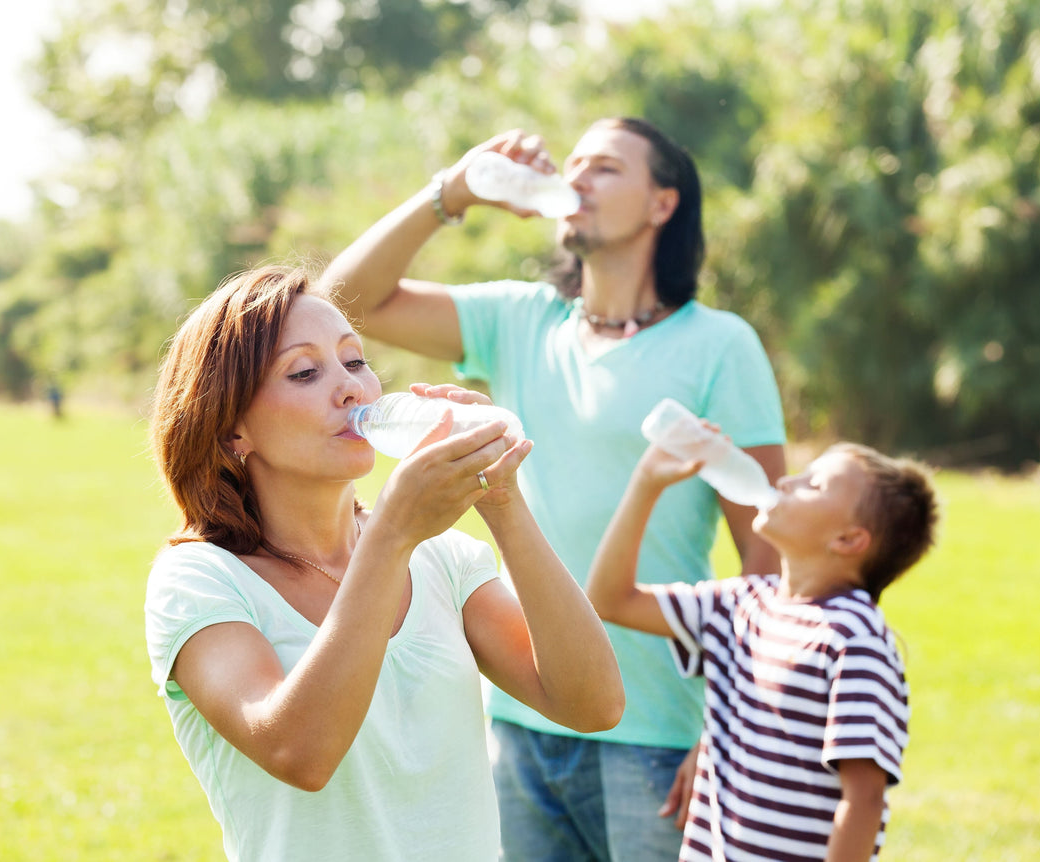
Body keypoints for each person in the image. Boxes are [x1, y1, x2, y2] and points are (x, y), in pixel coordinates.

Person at [317, 117, 788, 860]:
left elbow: (773, 561)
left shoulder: (720, 345)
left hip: (662, 734)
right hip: (521, 712)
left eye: (603, 168)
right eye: (572, 166)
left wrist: (732, 736)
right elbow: (335, 305)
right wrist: (451, 192)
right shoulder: (518, 320)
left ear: (662, 204)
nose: (577, 181)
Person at [143, 265, 624, 862]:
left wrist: (501, 501)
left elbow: (592, 703)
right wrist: (391, 535)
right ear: (231, 430)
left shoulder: (441, 558)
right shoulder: (199, 581)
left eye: (355, 361)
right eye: (305, 372)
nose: (352, 390)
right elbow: (302, 752)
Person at [586, 438, 939, 862]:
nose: (788, 482)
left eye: (815, 485)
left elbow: (863, 799)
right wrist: (647, 483)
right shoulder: (738, 605)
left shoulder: (854, 639)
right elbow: (610, 599)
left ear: (848, 539)